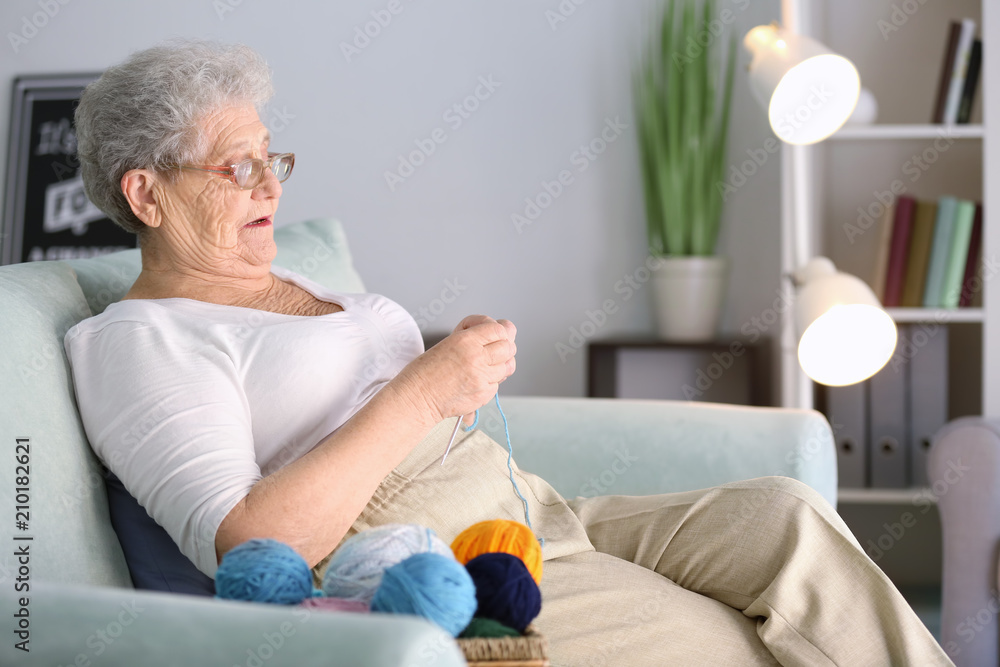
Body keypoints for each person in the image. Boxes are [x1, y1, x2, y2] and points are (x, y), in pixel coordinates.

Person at [64, 40, 952, 666]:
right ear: (146, 191)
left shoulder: (289, 273)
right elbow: (247, 543)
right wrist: (422, 390)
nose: (271, 185)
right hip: (444, 562)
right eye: (238, 167)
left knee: (783, 515)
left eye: (272, 158)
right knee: (733, 643)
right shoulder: (139, 342)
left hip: (527, 505)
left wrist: (452, 363)